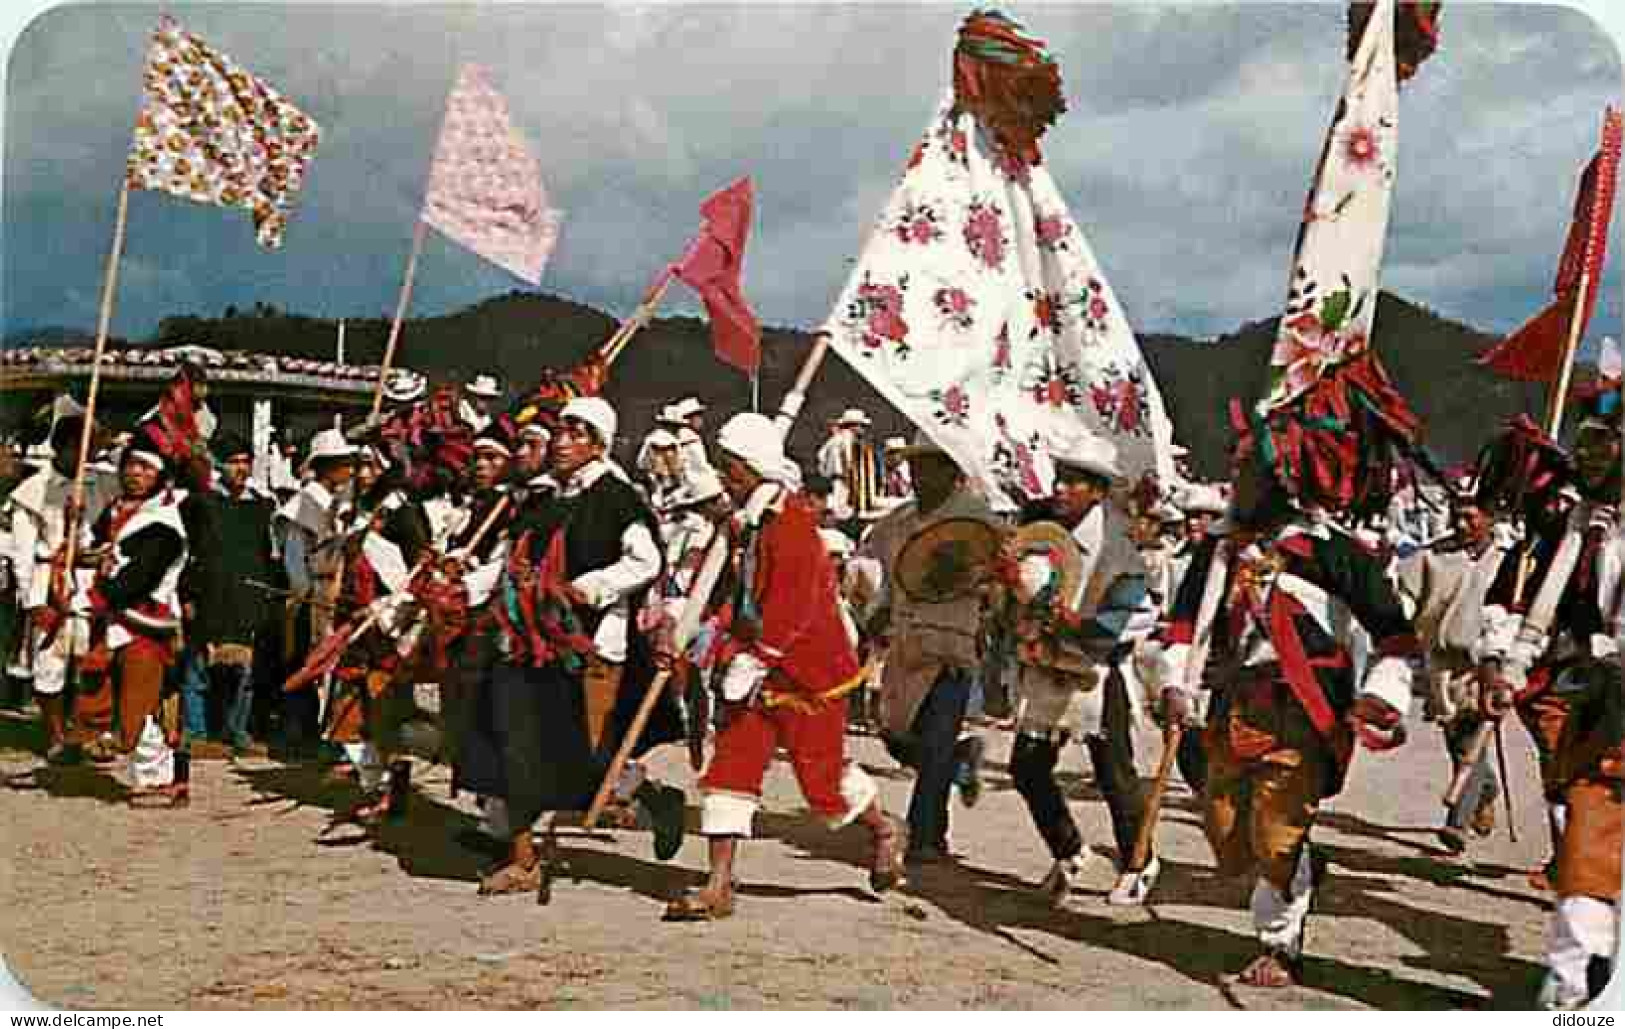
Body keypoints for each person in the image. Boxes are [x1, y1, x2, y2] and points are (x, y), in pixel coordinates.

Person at [1150, 412, 1417, 988]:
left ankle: (1280, 944)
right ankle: (1300, 865)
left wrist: (1381, 694)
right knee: (1227, 835)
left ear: (1286, 479)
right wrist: (1173, 681)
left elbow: (1395, 634)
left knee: (1275, 830)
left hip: (1301, 713)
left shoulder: (1338, 554)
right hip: (1228, 710)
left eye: (1248, 470)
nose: (1236, 480)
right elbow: (1181, 625)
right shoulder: (1217, 551)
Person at [663, 412, 904, 922]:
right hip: (751, 664)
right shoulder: (745, 524)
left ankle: (883, 830)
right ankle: (718, 883)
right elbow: (731, 593)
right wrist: (696, 636)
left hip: (808, 672)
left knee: (820, 780)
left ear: (754, 466)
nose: (727, 475)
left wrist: (759, 658)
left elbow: (793, 603)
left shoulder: (791, 521)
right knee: (732, 764)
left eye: (733, 466)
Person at [459, 396, 685, 896]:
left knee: (586, 754)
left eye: (575, 433)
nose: (561, 441)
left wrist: (589, 588)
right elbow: (509, 562)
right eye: (559, 431)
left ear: (599, 443)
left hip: (590, 646)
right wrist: (464, 587)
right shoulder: (542, 499)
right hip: (523, 642)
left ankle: (651, 797)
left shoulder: (617, 497)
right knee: (511, 743)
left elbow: (646, 561)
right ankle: (522, 859)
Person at [1473, 394, 1625, 1009]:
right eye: (1584, 439)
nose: (1584, 454)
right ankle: (1573, 1003)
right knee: (1589, 846)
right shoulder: (1572, 528)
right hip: (1607, 715)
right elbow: (1526, 603)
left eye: (1602, 442)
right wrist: (1504, 662)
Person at [1000, 435, 1158, 907]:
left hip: (1097, 669)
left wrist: (1084, 625)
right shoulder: (1042, 531)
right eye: (1060, 478)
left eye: (1074, 482)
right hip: (1046, 664)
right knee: (1027, 766)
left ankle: (1139, 860)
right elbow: (1024, 590)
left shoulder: (1118, 545)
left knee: (1113, 772)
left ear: (1097, 491)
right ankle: (1069, 850)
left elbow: (1139, 612)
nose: (1062, 488)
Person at [859, 432, 993, 863]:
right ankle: (960, 762)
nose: (919, 475)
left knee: (935, 739)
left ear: (952, 472)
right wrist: (879, 608)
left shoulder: (976, 519)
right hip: (905, 640)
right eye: (916, 466)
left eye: (930, 466)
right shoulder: (899, 520)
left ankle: (926, 836)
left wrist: (970, 577)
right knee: (895, 734)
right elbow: (887, 571)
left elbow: (995, 571)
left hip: (952, 643)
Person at [71, 431, 192, 808]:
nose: (135, 474)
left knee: (144, 699)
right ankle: (143, 768)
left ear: (158, 476)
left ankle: (162, 777)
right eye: (131, 466)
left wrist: (100, 593)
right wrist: (76, 525)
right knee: (110, 693)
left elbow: (141, 577)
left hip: (145, 618)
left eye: (145, 467)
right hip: (114, 618)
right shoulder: (115, 510)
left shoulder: (164, 524)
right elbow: (89, 551)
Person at [1393, 489, 1515, 855]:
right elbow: (1406, 596)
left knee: (1471, 740)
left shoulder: (1510, 562)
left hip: (1486, 667)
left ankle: (1456, 824)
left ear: (1491, 518)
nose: (1461, 524)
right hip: (1441, 665)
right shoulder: (1432, 556)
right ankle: (1485, 788)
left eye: (1471, 517)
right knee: (1457, 738)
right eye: (1457, 516)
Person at [4, 416, 112, 769]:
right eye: (80, 445)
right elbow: (23, 551)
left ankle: (81, 732)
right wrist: (32, 600)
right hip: (48, 581)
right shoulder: (33, 490)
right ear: (62, 446)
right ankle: (53, 735)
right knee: (50, 664)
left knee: (87, 660)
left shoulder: (99, 483)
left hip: (88, 583)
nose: (87, 452)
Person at [274, 428, 356, 759]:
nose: (349, 469)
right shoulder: (300, 508)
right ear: (325, 466)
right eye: (342, 463)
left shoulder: (335, 506)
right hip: (313, 597)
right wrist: (308, 597)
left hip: (333, 593)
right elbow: (295, 562)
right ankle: (300, 736)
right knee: (308, 665)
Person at [196, 432, 278, 758]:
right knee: (202, 668)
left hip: (248, 595)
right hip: (211, 594)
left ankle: (237, 730)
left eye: (245, 462)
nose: (240, 469)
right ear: (219, 465)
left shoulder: (261, 506)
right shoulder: (203, 503)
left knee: (244, 672)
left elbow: (266, 553)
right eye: (233, 462)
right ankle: (199, 732)